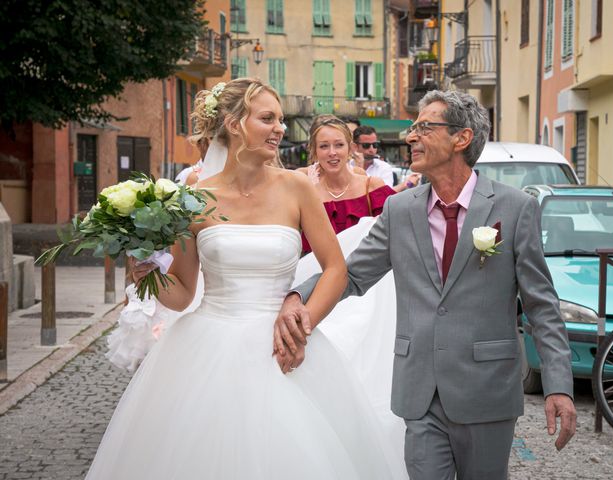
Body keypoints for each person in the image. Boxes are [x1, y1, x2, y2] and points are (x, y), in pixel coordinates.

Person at [86, 78, 407, 479]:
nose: (280, 128)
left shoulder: (297, 188)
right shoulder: (196, 199)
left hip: (284, 343)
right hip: (208, 343)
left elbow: (336, 269)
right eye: (268, 119)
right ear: (235, 124)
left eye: (281, 120)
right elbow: (183, 293)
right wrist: (145, 274)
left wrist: (303, 325)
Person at [276, 90, 577, 480]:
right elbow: (350, 275)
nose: (410, 136)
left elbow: (541, 306)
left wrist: (558, 384)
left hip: (487, 390)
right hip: (419, 392)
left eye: (423, 127)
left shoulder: (515, 208)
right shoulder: (399, 210)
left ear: (461, 138)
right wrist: (297, 295)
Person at [299, 115, 395, 253]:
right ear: (315, 152)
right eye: (324, 146)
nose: (332, 152)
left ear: (350, 149)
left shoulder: (372, 187)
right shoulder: (305, 190)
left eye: (339, 145)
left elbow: (399, 231)